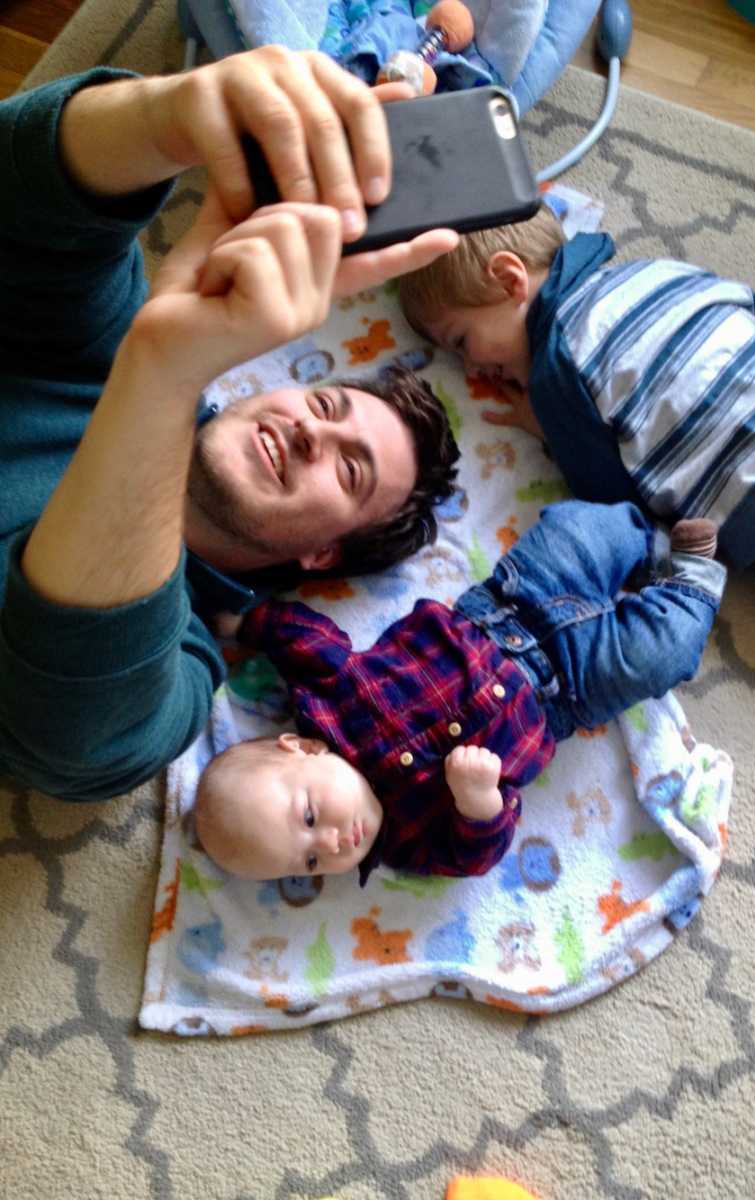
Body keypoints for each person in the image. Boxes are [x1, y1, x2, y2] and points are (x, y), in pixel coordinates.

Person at [0, 48, 462, 803]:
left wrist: (165, 370)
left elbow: (72, 730)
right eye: (324, 405)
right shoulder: (115, 349)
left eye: (348, 471)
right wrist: (175, 115)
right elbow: (31, 207)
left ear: (319, 554)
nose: (314, 434)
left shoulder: (180, 667)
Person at [396, 207, 755, 726]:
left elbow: (615, 504)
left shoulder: (556, 374)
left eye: (462, 343)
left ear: (509, 279)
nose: (474, 370)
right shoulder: (659, 270)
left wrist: (547, 426)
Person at [194, 500, 726, 882]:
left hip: (506, 605)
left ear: (302, 748)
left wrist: (244, 624)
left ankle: (645, 535)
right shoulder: (407, 841)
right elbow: (472, 856)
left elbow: (305, 638)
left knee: (576, 531)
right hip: (569, 692)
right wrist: (478, 803)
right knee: (664, 653)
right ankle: (691, 575)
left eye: (309, 818)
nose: (330, 844)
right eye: (310, 862)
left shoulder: (330, 700)